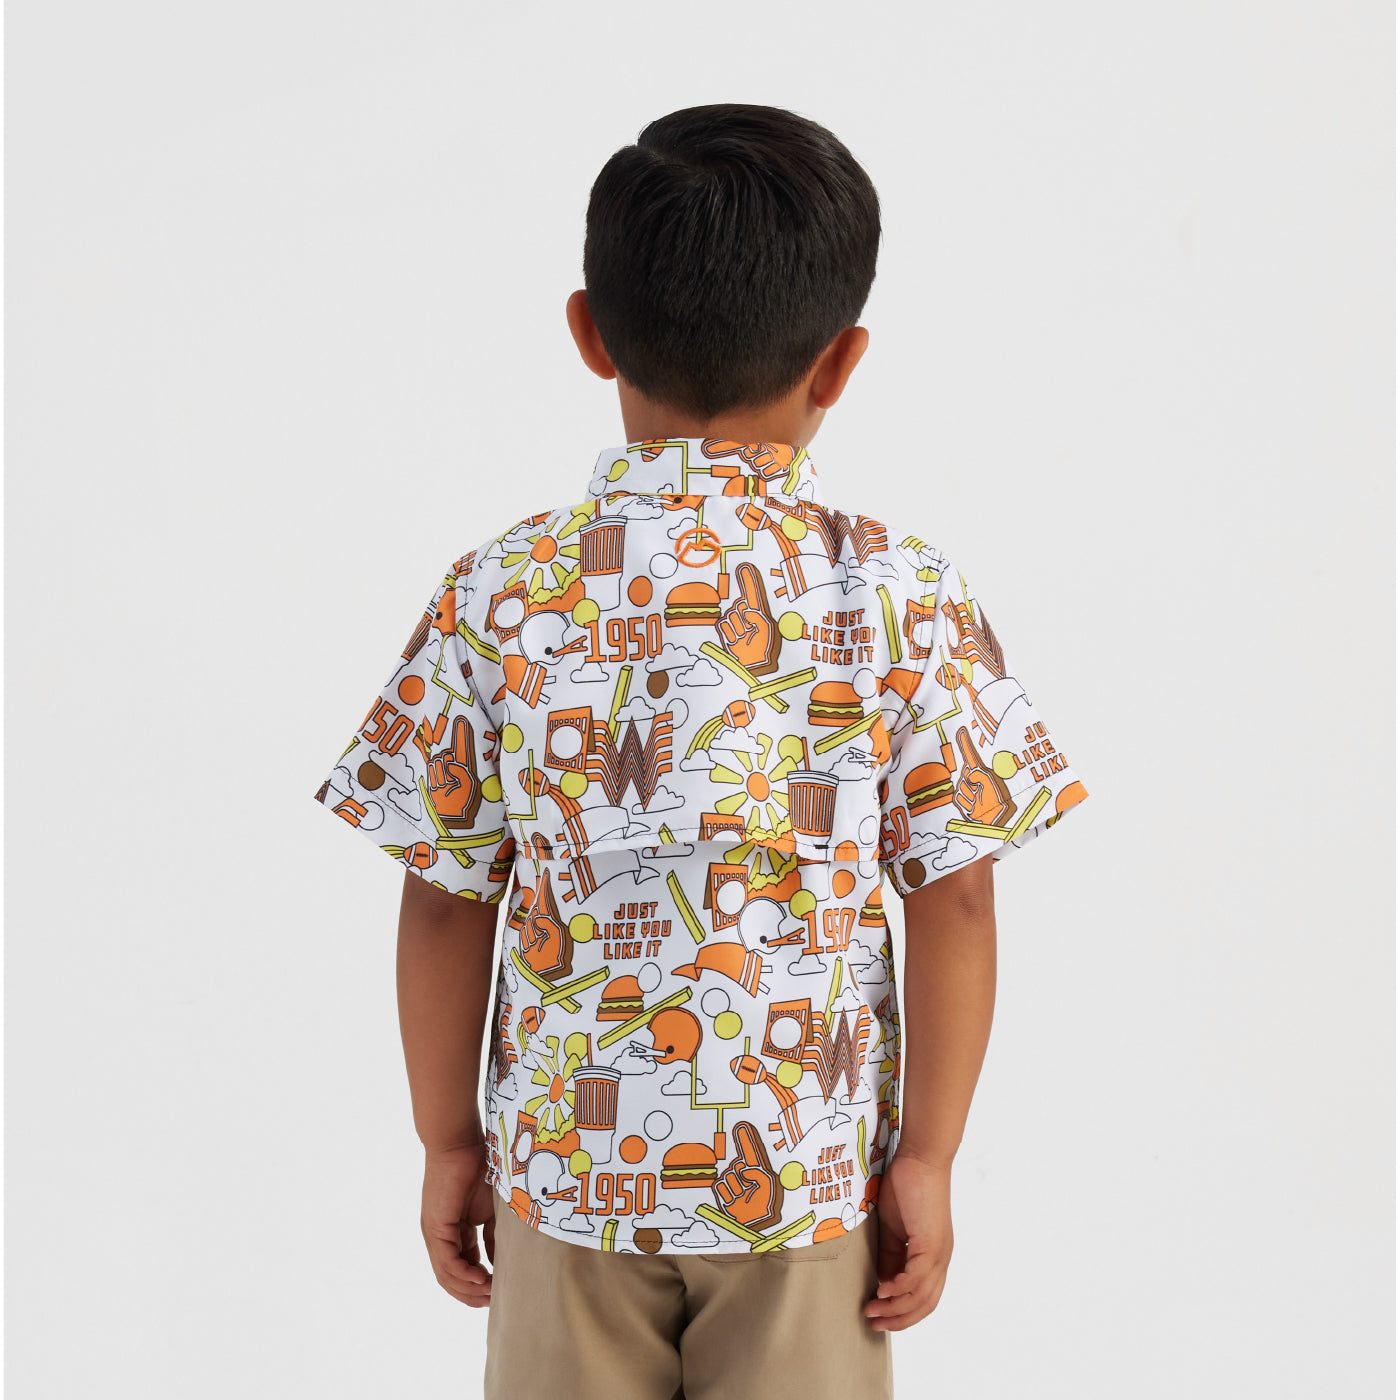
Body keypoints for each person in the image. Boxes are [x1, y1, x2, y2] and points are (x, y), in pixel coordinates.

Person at [312, 103, 1089, 1400]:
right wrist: (928, 1157)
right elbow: (955, 894)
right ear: (841, 362)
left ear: (589, 332)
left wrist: (448, 1139)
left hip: (567, 1178)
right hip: (799, 1174)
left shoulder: (500, 590)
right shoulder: (898, 593)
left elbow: (445, 898)